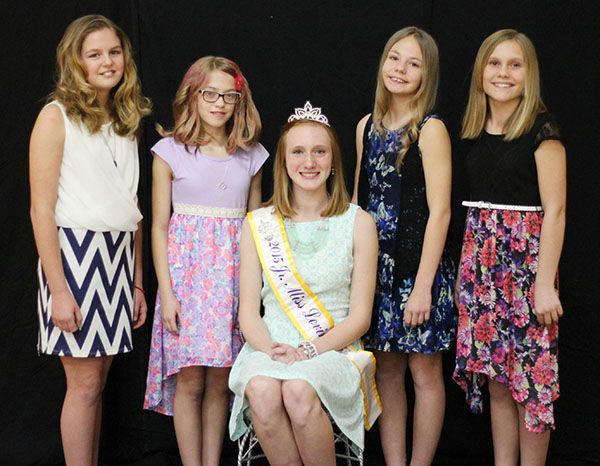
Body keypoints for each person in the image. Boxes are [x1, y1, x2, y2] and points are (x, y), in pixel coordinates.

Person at [228, 102, 380, 466]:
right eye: (297, 152)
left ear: (332, 161)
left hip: (332, 350)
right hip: (270, 348)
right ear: (283, 161)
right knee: (263, 391)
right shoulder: (257, 224)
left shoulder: (358, 223)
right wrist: (270, 349)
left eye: (319, 151)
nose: (308, 162)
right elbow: (248, 312)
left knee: (297, 389)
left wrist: (308, 352)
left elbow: (360, 318)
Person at [29, 14, 151, 466]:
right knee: (82, 385)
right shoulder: (55, 116)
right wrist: (59, 290)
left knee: (97, 385)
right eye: (94, 54)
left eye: (114, 52)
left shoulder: (125, 120)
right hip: (74, 260)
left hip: (117, 260)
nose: (107, 61)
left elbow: (132, 208)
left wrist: (137, 282)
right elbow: (40, 210)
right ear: (74, 62)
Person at [143, 56, 268, 466]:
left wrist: (250, 294)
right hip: (187, 281)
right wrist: (169, 293)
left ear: (239, 100)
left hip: (232, 280)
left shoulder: (250, 156)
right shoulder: (169, 152)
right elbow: (159, 226)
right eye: (209, 94)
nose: (219, 104)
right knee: (191, 380)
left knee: (221, 382)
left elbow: (254, 225)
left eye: (228, 96)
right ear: (192, 95)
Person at [453, 29, 565, 466]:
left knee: (531, 382)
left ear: (528, 73)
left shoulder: (542, 128)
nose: (503, 73)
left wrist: (544, 285)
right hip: (482, 268)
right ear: (482, 71)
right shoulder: (473, 128)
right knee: (497, 378)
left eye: (514, 64)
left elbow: (554, 211)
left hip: (527, 268)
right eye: (494, 63)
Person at [352, 27, 456, 466]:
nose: (401, 69)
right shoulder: (365, 127)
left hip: (418, 270)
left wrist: (423, 288)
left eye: (413, 63)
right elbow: (359, 203)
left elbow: (441, 212)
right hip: (377, 272)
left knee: (424, 371)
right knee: (387, 371)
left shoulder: (430, 130)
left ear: (426, 73)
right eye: (395, 58)